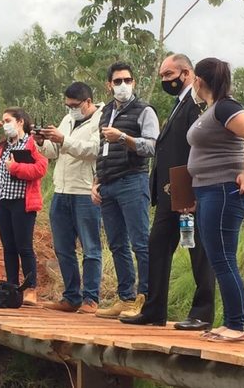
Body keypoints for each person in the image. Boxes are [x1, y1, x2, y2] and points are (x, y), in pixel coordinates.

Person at [121, 54, 216, 330]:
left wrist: (193, 190)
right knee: (157, 246)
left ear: (186, 73)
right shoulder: (178, 105)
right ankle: (153, 310)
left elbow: (198, 148)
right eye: (162, 76)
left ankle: (202, 314)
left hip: (188, 189)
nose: (165, 80)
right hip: (169, 192)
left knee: (199, 251)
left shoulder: (196, 103)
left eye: (168, 75)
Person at [186, 57, 244, 342]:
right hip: (208, 191)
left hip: (222, 192)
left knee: (222, 258)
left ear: (199, 81)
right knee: (219, 258)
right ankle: (231, 322)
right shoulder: (212, 110)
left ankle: (236, 325)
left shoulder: (226, 107)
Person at [92, 62, 159, 319]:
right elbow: (102, 150)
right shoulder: (106, 111)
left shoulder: (144, 111)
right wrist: (95, 182)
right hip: (108, 184)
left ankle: (146, 299)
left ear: (134, 82)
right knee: (117, 243)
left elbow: (152, 147)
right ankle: (125, 298)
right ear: (109, 84)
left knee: (140, 243)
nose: (123, 85)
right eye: (118, 81)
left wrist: (123, 137)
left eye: (127, 80)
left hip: (133, 180)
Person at [34, 82, 104, 314]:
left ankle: (91, 298)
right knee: (63, 247)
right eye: (68, 105)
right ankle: (71, 296)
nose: (71, 109)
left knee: (90, 247)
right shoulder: (68, 119)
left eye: (74, 105)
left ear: (88, 102)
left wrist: (63, 139)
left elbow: (93, 150)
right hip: (61, 190)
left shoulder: (102, 119)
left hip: (85, 191)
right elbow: (55, 152)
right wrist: (43, 141)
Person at [0, 107, 48, 306]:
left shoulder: (32, 144)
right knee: (8, 248)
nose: (4, 124)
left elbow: (40, 168)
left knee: (24, 247)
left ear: (20, 122)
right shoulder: (1, 146)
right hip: (1, 201)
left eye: (7, 121)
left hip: (22, 202)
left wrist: (15, 168)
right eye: (3, 121)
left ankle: (30, 289)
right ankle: (12, 288)